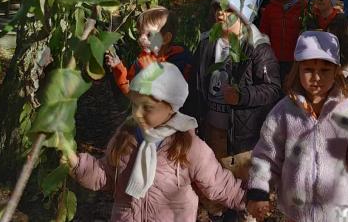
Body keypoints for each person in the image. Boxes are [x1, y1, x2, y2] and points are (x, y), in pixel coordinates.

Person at [67, 63, 247, 221]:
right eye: (135, 104)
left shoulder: (188, 146)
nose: (137, 113)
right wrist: (77, 164)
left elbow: (218, 183)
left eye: (147, 107)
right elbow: (105, 175)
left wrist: (248, 201)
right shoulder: (125, 136)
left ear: (171, 108)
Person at [246, 31, 348, 222]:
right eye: (309, 70)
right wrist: (258, 191)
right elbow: (266, 155)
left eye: (325, 70)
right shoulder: (283, 112)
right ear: (297, 69)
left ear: (336, 71)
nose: (316, 77)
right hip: (297, 214)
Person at [191, 0, 282, 221]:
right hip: (212, 133)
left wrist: (243, 96)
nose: (220, 14)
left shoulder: (257, 48)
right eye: (217, 7)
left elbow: (273, 88)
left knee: (244, 197)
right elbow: (196, 85)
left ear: (244, 15)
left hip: (243, 142)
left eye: (228, 9)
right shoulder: (207, 43)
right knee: (214, 192)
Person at [259, 0, 306, 86]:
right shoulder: (270, 9)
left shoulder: (303, 8)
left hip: (296, 59)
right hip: (274, 58)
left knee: (293, 87)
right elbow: (263, 33)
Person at [312, 0, 348, 76]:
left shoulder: (341, 21)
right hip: (315, 66)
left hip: (335, 68)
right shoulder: (311, 19)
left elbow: (347, 46)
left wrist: (345, 68)